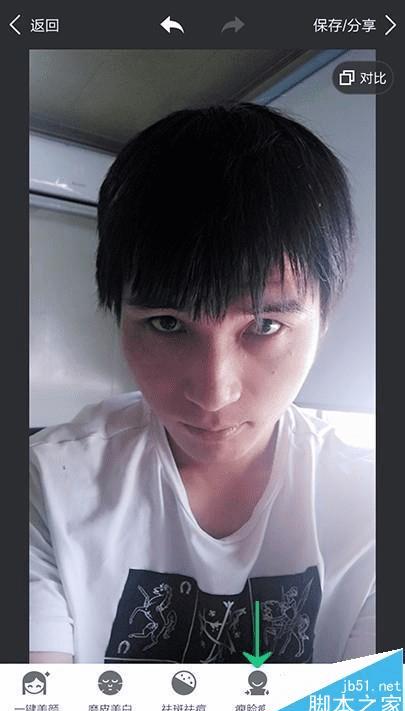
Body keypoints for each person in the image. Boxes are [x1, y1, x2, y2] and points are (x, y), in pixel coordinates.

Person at [30, 103, 375, 665]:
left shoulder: (373, 505)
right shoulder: (47, 485)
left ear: (324, 320)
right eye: (168, 323)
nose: (215, 394)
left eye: (264, 326)